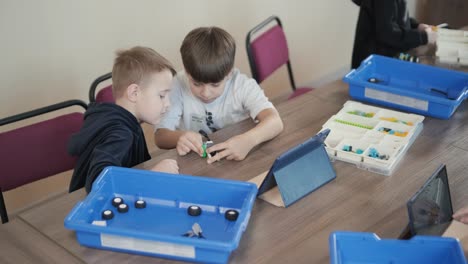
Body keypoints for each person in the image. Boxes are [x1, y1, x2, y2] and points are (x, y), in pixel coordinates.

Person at [154, 27, 284, 164]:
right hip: (199, 162)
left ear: (229, 73)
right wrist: (181, 137)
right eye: (196, 84)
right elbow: (160, 137)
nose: (205, 93)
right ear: (187, 72)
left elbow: (275, 122)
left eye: (215, 85)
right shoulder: (178, 85)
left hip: (238, 156)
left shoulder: (242, 86)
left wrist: (249, 140)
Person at [68, 46, 179, 193]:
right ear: (134, 93)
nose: (168, 104)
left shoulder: (124, 119)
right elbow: (99, 183)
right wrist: (153, 176)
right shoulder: (120, 132)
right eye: (162, 96)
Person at [351, 0, 438, 69]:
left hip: (382, 58)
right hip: (375, 64)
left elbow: (395, 16)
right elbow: (387, 34)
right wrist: (423, 37)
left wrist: (416, 26)